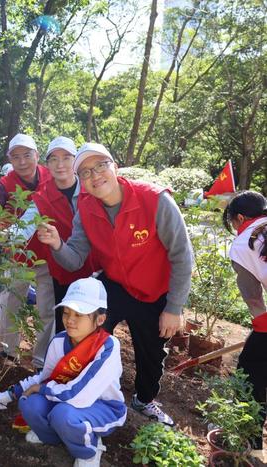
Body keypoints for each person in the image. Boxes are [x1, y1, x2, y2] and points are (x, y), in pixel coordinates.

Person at [37, 142, 193, 426]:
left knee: (151, 353)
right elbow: (73, 260)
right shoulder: (85, 208)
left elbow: (182, 255)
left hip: (154, 290)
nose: (94, 175)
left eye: (100, 166)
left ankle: (144, 400)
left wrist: (174, 307)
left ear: (115, 167)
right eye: (85, 172)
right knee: (86, 331)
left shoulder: (154, 200)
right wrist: (58, 243)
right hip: (116, 285)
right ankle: (82, 389)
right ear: (81, 182)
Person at [0, 277, 126, 467]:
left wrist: (41, 389)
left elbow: (80, 396)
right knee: (29, 404)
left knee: (63, 415)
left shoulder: (108, 347)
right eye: (66, 313)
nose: (70, 320)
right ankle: (55, 438)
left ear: (100, 319)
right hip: (65, 398)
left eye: (79, 314)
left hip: (102, 406)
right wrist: (9, 395)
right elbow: (45, 378)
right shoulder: (59, 341)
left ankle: (89, 448)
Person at [0, 133, 53, 365]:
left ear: (36, 155)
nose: (22, 161)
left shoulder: (50, 175)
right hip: (17, 256)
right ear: (10, 159)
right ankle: (9, 352)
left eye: (27, 155)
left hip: (47, 256)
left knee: (46, 309)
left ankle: (41, 359)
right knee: (9, 306)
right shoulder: (6, 182)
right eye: (16, 157)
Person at [38, 137, 98, 333]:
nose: (60, 164)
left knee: (95, 324)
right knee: (66, 325)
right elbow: (25, 223)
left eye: (66, 158)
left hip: (96, 271)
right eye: (53, 159)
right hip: (63, 270)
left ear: (76, 161)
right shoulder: (42, 195)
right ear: (47, 164)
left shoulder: (94, 187)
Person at [223, 191, 267, 451]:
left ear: (240, 218)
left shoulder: (243, 244)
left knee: (251, 372)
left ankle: (248, 437)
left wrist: (261, 329)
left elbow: (253, 299)